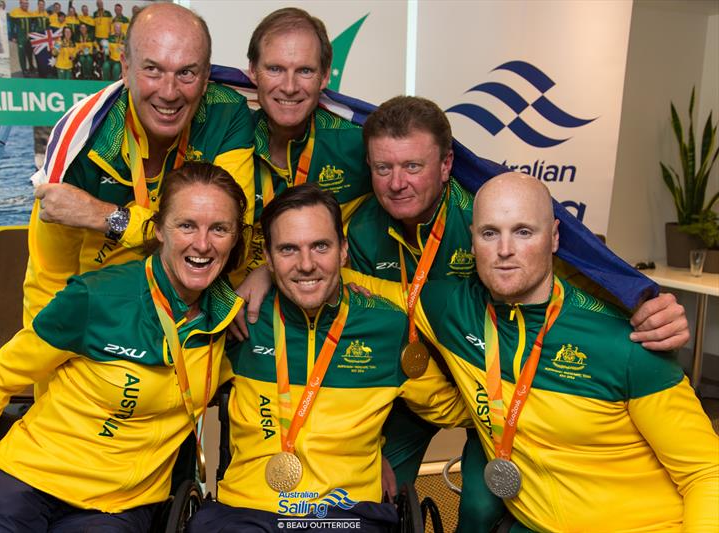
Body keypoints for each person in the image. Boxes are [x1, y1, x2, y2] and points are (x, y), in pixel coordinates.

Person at [238, 95, 692, 531]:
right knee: (369, 497)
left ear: (447, 165)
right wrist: (266, 272)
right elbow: (328, 286)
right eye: (383, 168)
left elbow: (579, 267)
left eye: (413, 166)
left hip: (492, 385)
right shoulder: (355, 228)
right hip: (404, 382)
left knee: (477, 503)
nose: (398, 182)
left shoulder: (486, 214)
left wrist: (645, 301)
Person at [345, 172, 719, 532]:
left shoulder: (627, 338)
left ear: (554, 237)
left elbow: (706, 472)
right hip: (537, 523)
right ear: (472, 241)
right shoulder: (453, 309)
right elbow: (347, 282)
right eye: (491, 233)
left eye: (523, 232)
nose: (505, 251)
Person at [0, 162, 248, 533]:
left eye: (219, 229)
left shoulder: (230, 319)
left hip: (117, 507)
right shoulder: (96, 296)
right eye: (186, 225)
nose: (202, 243)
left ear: (236, 239)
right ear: (157, 229)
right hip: (26, 477)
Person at [189, 183, 469, 532]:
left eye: (320, 246)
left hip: (346, 515)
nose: (306, 264)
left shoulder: (386, 326)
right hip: (245, 512)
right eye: (289, 249)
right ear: (270, 260)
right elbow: (176, 390)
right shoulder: (239, 321)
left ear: (343, 251)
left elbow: (449, 407)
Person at [25, 3, 254, 362]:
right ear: (126, 68)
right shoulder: (82, 142)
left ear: (207, 75)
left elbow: (235, 232)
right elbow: (47, 281)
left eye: (187, 73)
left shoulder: (227, 114)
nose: (169, 92)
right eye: (152, 69)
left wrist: (109, 218)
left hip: (185, 315)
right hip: (99, 325)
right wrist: (51, 377)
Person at [236, 7, 372, 280]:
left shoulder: (355, 143)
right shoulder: (227, 133)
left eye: (305, 71)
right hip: (228, 307)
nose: (289, 86)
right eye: (275, 69)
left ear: (324, 76)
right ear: (252, 71)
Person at [8, 0, 35, 76]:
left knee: (30, 52)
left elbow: (32, 24)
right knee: (22, 54)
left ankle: (31, 67)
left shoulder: (30, 13)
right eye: (24, 3)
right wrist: (12, 36)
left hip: (29, 37)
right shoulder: (14, 12)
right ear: (20, 3)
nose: (26, 5)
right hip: (20, 37)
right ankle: (24, 70)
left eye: (27, 3)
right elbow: (11, 26)